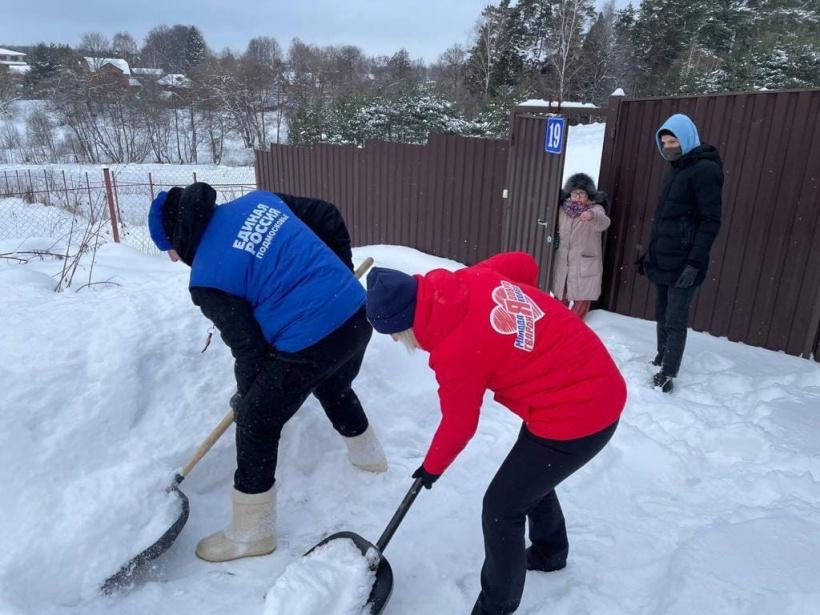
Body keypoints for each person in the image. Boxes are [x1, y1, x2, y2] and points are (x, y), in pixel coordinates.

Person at [365, 252, 627, 615]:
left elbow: (459, 425)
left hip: (580, 412)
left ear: (405, 323)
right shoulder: (467, 281)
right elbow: (523, 263)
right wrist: (523, 335)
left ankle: (495, 608)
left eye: (394, 333)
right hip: (584, 381)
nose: (395, 342)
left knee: (501, 508)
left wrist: (431, 467)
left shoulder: (455, 349)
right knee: (530, 479)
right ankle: (551, 553)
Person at [148, 182, 388, 562]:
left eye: (170, 250)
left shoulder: (207, 277)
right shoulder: (260, 201)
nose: (174, 259)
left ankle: (252, 534)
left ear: (177, 236)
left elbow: (249, 350)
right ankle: (371, 460)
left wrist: (248, 398)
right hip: (358, 316)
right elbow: (327, 213)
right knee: (332, 382)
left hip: (314, 338)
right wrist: (339, 273)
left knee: (257, 421)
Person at [636, 113, 723, 393]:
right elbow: (665, 219)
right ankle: (662, 355)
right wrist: (649, 254)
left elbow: (710, 222)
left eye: (673, 141)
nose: (668, 147)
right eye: (664, 142)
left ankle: (668, 372)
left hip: (685, 260)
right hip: (664, 256)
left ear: (686, 139)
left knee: (676, 318)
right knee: (662, 312)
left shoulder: (705, 170)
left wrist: (695, 263)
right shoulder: (676, 168)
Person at [551, 173, 611, 319]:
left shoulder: (595, 209)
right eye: (574, 192)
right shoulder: (561, 209)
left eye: (581, 193)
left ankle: (574, 330)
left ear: (588, 195)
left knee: (582, 298)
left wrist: (591, 216)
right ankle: (557, 326)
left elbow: (604, 222)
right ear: (569, 194)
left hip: (584, 263)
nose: (577, 196)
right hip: (564, 262)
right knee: (560, 296)